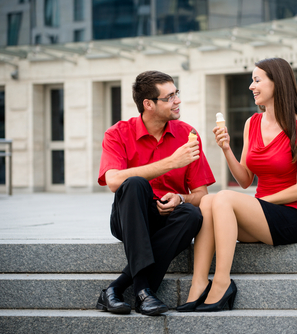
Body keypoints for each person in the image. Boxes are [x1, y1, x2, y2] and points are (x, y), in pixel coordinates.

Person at [178, 58, 297, 312]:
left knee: (222, 198)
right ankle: (198, 284)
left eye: (257, 80)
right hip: (259, 214)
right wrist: (226, 148)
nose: (251, 86)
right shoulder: (252, 123)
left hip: (289, 216)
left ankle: (221, 283)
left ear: (278, 83)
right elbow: (244, 180)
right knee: (208, 200)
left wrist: (260, 203)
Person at [96, 70, 215, 316]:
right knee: (135, 183)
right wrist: (171, 162)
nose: (177, 101)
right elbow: (113, 181)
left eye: (176, 93)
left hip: (166, 220)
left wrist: (180, 198)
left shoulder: (187, 134)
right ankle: (142, 290)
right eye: (169, 97)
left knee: (192, 215)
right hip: (129, 217)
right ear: (148, 104)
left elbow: (202, 193)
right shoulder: (117, 133)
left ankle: (115, 289)